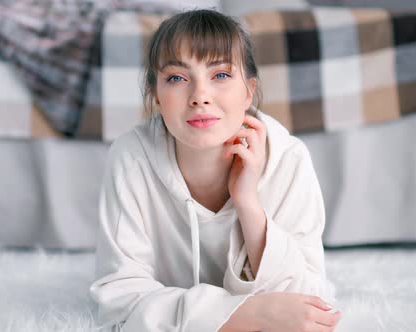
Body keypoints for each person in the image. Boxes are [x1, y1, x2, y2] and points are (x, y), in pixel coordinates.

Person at [89, 8, 341, 332]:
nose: (200, 97)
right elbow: (118, 305)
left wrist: (248, 203)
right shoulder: (130, 158)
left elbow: (308, 307)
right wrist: (250, 315)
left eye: (220, 75)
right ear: (156, 95)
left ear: (249, 90)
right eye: (177, 78)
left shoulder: (289, 159)